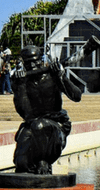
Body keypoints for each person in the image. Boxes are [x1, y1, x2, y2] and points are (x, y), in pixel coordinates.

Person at [10, 45, 83, 174]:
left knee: (39, 125)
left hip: (56, 125)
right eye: (28, 62)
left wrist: (61, 76)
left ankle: (43, 161)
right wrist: (20, 86)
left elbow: (76, 96)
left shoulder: (52, 76)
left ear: (41, 59)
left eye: (35, 61)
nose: (32, 65)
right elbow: (25, 113)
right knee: (21, 164)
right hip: (32, 124)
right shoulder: (21, 81)